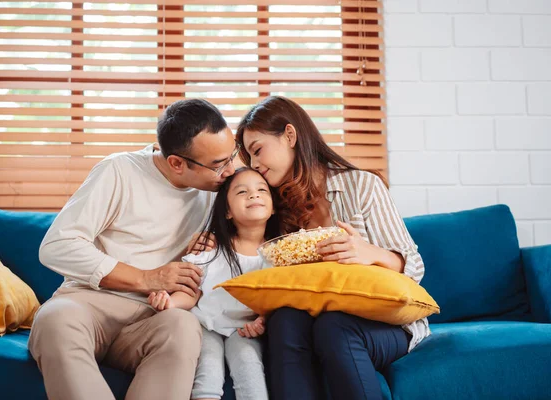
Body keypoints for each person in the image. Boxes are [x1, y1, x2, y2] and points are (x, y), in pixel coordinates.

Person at [28, 99, 240, 400]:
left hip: (155, 315)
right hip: (89, 304)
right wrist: (146, 278)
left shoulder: (221, 189)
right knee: (55, 319)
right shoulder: (118, 171)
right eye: (219, 165)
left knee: (183, 326)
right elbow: (58, 246)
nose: (231, 170)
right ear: (177, 163)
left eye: (231, 156)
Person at [235, 96, 429, 400]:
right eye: (249, 158)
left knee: (334, 327)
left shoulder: (362, 186)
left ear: (289, 135)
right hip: (311, 320)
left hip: (382, 324)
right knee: (284, 321)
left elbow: (415, 268)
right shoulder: (274, 209)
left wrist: (370, 254)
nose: (255, 165)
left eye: (257, 150)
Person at [148, 167, 279, 400]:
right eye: (242, 192)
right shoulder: (210, 248)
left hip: (245, 329)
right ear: (227, 211)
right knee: (208, 368)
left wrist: (263, 321)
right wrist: (169, 302)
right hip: (206, 324)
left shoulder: (279, 254)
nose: (254, 195)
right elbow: (191, 292)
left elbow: (279, 298)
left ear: (273, 206)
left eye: (262, 190)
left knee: (248, 366)